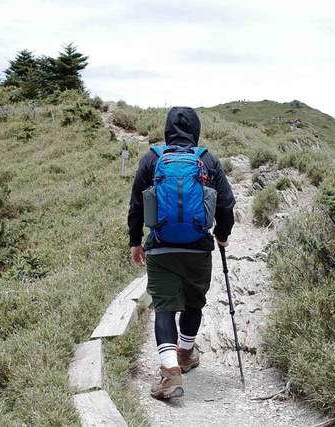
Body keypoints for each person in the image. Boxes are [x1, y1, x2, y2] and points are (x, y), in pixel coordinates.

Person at [127, 106, 235, 399]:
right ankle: (186, 354)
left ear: (166, 129)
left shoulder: (153, 158)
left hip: (161, 247)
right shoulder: (207, 160)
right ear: (196, 130)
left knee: (164, 308)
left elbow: (137, 204)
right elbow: (226, 203)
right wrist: (222, 236)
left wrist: (135, 241)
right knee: (192, 304)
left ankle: (170, 373)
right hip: (198, 248)